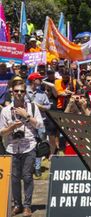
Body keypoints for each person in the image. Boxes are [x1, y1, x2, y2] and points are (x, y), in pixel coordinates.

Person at [0, 81, 43, 217]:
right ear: (12, 92)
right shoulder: (6, 111)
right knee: (14, 178)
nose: (19, 93)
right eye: (16, 91)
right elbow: (1, 132)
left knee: (27, 176)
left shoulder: (32, 107)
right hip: (12, 147)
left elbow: (40, 125)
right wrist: (11, 128)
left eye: (22, 91)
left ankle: (27, 206)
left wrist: (27, 116)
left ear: (25, 93)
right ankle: (17, 204)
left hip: (29, 146)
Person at [25, 72, 51, 177]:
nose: (41, 80)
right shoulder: (23, 91)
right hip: (27, 123)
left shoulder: (42, 93)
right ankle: (27, 167)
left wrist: (40, 106)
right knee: (27, 144)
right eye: (39, 79)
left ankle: (37, 168)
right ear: (33, 80)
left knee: (39, 145)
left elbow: (48, 106)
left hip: (40, 122)